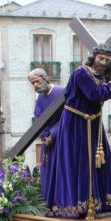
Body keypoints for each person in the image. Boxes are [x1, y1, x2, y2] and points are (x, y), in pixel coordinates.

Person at [45, 44, 111, 219]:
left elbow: (109, 94)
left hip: (93, 124)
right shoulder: (81, 73)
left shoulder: (99, 76)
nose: (103, 63)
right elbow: (95, 95)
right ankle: (79, 205)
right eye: (101, 58)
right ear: (93, 57)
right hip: (76, 125)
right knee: (79, 163)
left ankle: (102, 202)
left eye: (107, 60)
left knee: (99, 162)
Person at [28, 68, 64, 202]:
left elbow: (66, 117)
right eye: (33, 84)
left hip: (61, 139)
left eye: (36, 81)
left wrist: (53, 134)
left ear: (44, 78)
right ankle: (50, 201)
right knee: (47, 171)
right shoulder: (40, 99)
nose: (35, 85)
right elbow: (38, 119)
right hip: (47, 143)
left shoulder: (61, 92)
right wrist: (44, 136)